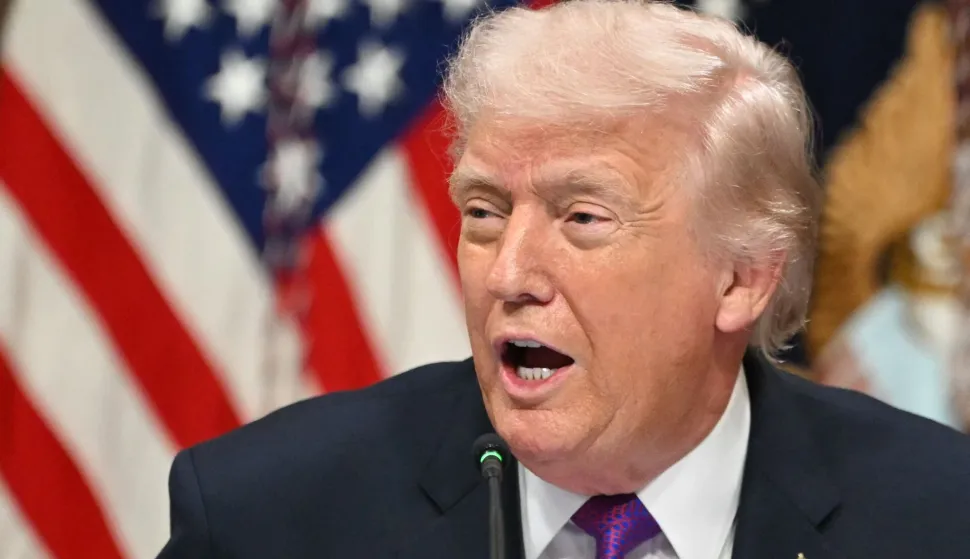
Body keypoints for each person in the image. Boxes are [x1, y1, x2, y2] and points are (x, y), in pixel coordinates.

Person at [158, 1, 970, 558]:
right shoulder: (265, 518)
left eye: (582, 218)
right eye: (483, 212)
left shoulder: (938, 518)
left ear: (744, 277)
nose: (507, 274)